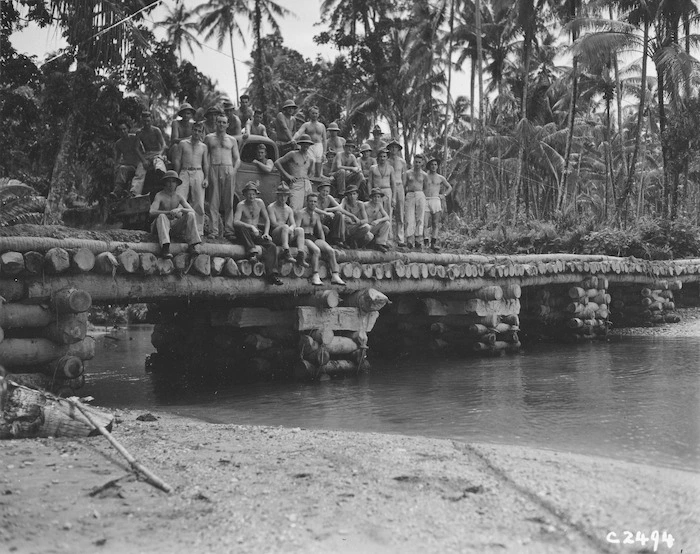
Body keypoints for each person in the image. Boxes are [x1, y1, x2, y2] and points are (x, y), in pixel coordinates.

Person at [233, 181, 283, 285]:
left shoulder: (260, 203)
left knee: (271, 246)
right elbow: (236, 221)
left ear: (256, 194)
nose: (251, 196)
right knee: (241, 228)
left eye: (253, 194)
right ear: (245, 194)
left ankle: (272, 275)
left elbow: (267, 219)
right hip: (245, 232)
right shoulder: (241, 205)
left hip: (256, 232)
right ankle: (252, 252)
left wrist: (266, 233)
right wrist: (250, 226)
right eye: (249, 194)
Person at [149, 170, 202, 259]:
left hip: (173, 226)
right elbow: (151, 212)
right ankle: (165, 248)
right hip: (160, 226)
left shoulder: (179, 196)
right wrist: (168, 212)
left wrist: (180, 209)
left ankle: (192, 245)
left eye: (173, 181)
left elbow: (192, 211)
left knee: (190, 215)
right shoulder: (159, 195)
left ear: (177, 184)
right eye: (168, 181)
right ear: (165, 183)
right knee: (162, 216)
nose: (171, 184)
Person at [296, 192, 346, 286]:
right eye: (311, 201)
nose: (313, 203)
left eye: (315, 202)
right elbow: (297, 229)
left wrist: (324, 242)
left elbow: (320, 231)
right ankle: (315, 275)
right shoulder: (300, 213)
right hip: (304, 237)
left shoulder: (316, 215)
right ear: (307, 202)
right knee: (316, 250)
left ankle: (335, 275)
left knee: (330, 250)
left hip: (312, 236)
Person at [204, 114, 240, 239]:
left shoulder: (232, 140)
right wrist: (207, 174)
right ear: (216, 123)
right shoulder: (209, 138)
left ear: (227, 124)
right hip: (214, 168)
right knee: (214, 201)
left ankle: (229, 230)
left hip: (228, 168)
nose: (221, 125)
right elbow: (205, 157)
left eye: (224, 122)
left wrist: (233, 171)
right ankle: (214, 231)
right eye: (219, 122)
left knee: (228, 202)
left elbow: (237, 159)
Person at [173, 121, 209, 236]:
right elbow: (177, 160)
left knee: (198, 201)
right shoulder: (183, 143)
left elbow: (206, 164)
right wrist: (176, 176)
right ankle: (176, 227)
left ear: (202, 133)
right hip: (184, 171)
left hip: (198, 172)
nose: (196, 133)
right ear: (191, 130)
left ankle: (198, 230)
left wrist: (206, 178)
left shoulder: (203, 147)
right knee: (179, 198)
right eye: (195, 130)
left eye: (199, 131)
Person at [267, 183, 305, 265]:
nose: (283, 198)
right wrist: (287, 228)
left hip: (286, 233)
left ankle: (300, 254)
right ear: (277, 196)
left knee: (300, 230)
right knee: (285, 226)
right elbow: (273, 223)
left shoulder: (289, 209)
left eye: (285, 196)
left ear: (288, 197)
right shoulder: (271, 207)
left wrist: (291, 228)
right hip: (276, 234)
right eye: (281, 195)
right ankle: (286, 251)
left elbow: (294, 224)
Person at [274, 133, 314, 211]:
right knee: (295, 208)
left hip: (307, 185)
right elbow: (277, 163)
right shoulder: (293, 154)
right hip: (296, 183)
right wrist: (288, 175)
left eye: (308, 144)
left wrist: (307, 179)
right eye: (304, 144)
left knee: (307, 209)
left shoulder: (310, 159)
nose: (306, 146)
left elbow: (310, 173)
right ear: (300, 144)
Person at [132, 110, 167, 195]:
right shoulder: (139, 132)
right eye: (144, 121)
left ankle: (162, 175)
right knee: (140, 170)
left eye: (148, 121)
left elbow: (163, 145)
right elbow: (136, 148)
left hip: (156, 152)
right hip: (147, 154)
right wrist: (143, 160)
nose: (146, 123)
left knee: (159, 163)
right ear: (142, 121)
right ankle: (134, 192)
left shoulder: (156, 130)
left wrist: (160, 154)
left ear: (151, 120)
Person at [423, 157, 453, 252]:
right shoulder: (424, 176)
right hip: (425, 199)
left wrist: (443, 195)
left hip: (436, 199)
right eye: (432, 165)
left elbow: (449, 187)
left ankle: (433, 242)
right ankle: (425, 241)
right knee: (424, 223)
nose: (434, 166)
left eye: (435, 165)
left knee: (435, 223)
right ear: (429, 166)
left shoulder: (440, 178)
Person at [316, 181, 358, 247]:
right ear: (319, 190)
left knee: (339, 214)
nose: (325, 193)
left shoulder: (329, 198)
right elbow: (313, 209)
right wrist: (324, 212)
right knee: (326, 228)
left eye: (327, 191)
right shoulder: (315, 198)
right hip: (317, 221)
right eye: (323, 191)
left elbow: (339, 207)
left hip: (325, 220)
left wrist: (352, 216)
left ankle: (337, 239)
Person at [113, 120, 146, 198]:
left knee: (124, 169)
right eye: (120, 130)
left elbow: (143, 151)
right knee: (121, 168)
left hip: (138, 165)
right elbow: (118, 157)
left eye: (124, 129)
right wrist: (115, 167)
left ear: (128, 129)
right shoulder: (119, 143)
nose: (123, 131)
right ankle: (118, 191)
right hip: (128, 165)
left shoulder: (134, 138)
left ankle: (123, 191)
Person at [368, 149, 396, 240]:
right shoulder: (373, 168)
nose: (382, 158)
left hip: (387, 191)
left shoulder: (390, 168)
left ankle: (388, 237)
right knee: (377, 213)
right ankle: (376, 237)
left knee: (388, 214)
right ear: (377, 158)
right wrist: (370, 195)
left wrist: (394, 198)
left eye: (384, 156)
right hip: (376, 192)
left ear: (387, 157)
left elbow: (393, 183)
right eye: (380, 156)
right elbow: (369, 182)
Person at [404, 153, 429, 250]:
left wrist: (423, 197)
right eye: (416, 162)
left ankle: (418, 240)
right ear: (413, 162)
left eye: (419, 162)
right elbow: (404, 185)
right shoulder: (408, 173)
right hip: (410, 194)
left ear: (422, 163)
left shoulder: (424, 175)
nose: (417, 164)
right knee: (409, 218)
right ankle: (409, 240)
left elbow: (426, 188)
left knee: (420, 218)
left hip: (420, 194)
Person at [293, 106, 326, 178]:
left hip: (319, 146)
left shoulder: (322, 126)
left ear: (318, 114)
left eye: (316, 113)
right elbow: (299, 132)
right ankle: (309, 180)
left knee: (318, 169)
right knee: (311, 166)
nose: (314, 115)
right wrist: (293, 138)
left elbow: (324, 140)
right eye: (313, 113)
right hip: (310, 146)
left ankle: (317, 184)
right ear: (310, 114)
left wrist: (324, 153)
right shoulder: (306, 125)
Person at [386, 138, 407, 247]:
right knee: (388, 212)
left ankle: (400, 239)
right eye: (392, 147)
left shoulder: (402, 161)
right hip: (389, 187)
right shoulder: (386, 161)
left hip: (399, 186)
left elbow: (404, 176)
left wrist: (402, 186)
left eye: (396, 147)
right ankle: (389, 237)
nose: (394, 149)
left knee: (400, 213)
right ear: (389, 149)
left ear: (398, 149)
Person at [364, 188, 391, 253]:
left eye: (378, 197)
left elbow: (387, 217)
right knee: (368, 235)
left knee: (387, 223)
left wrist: (378, 220)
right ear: (371, 197)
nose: (376, 199)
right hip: (365, 227)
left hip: (372, 226)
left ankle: (380, 243)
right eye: (375, 197)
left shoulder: (379, 205)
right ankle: (366, 244)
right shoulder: (365, 205)